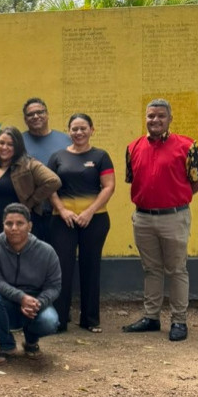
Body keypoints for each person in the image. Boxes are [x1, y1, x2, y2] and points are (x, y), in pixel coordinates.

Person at [122, 98, 198, 342]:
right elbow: (133, 179)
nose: (155, 120)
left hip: (174, 217)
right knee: (151, 269)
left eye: (161, 116)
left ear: (170, 119)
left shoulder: (186, 146)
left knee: (177, 270)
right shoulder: (133, 147)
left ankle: (179, 320)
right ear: (146, 118)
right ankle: (151, 317)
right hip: (143, 218)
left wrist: (179, 197)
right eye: (151, 116)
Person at [48, 114, 115, 333]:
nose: (78, 133)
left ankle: (90, 320)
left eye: (83, 128)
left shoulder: (101, 156)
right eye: (74, 129)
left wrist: (89, 212)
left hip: (94, 220)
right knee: (62, 268)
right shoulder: (57, 156)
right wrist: (62, 210)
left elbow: (108, 187)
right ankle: (59, 319)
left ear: (92, 130)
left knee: (91, 266)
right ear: (69, 131)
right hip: (62, 220)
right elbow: (50, 188)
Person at [0, 203, 61, 366]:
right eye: (9, 224)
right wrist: (21, 298)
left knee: (50, 321)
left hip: (35, 303)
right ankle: (6, 346)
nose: (14, 228)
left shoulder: (47, 251)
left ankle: (31, 342)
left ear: (29, 226)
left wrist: (37, 303)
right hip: (5, 302)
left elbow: (54, 286)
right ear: (3, 225)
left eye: (20, 223)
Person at [0, 126, 61, 243]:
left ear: (18, 147)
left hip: (17, 228)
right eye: (1, 143)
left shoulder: (28, 164)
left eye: (10, 144)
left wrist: (31, 202)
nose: (4, 147)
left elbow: (53, 181)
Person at [21, 98, 71, 242]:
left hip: (60, 212)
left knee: (58, 256)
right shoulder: (18, 142)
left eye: (40, 112)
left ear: (47, 114)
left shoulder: (66, 141)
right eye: (31, 114)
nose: (36, 116)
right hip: (30, 212)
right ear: (25, 119)